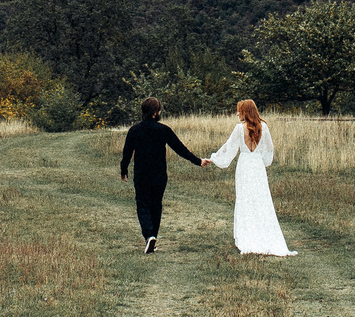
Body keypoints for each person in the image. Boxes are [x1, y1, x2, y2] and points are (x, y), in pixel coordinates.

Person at [118, 97, 209, 252]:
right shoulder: (163, 129)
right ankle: (152, 237)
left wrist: (123, 169)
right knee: (156, 205)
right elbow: (180, 149)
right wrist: (198, 161)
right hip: (159, 175)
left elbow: (127, 152)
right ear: (155, 112)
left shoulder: (134, 130)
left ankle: (149, 237)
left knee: (143, 204)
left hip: (141, 175)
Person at [208, 98, 292, 256]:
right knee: (260, 199)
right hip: (258, 166)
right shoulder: (264, 127)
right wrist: (262, 161)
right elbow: (269, 151)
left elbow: (228, 148)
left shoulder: (239, 129)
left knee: (245, 199)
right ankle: (262, 233)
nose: (237, 113)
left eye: (239, 110)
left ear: (246, 112)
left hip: (245, 165)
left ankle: (248, 235)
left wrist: (214, 158)